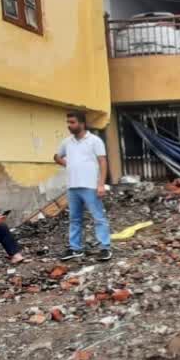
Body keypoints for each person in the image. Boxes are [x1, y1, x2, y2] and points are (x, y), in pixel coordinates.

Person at [54, 110, 112, 262]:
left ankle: (105, 248)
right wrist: (69, 164)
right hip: (73, 186)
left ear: (82, 123)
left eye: (72, 122)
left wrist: (101, 184)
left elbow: (103, 162)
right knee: (74, 219)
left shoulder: (95, 140)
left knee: (98, 217)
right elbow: (56, 156)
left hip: (90, 186)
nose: (69, 125)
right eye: (68, 122)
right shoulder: (67, 142)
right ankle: (75, 248)